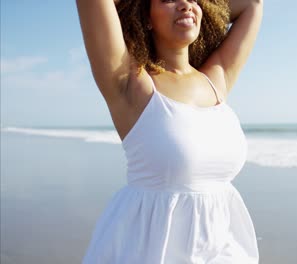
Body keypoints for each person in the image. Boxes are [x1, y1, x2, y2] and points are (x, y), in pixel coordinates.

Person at [76, 0, 263, 263]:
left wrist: (198, 11)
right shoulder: (131, 85)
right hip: (148, 250)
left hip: (224, 249)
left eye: (194, 0)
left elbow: (252, 5)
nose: (187, 4)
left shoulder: (215, 79)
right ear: (146, 17)